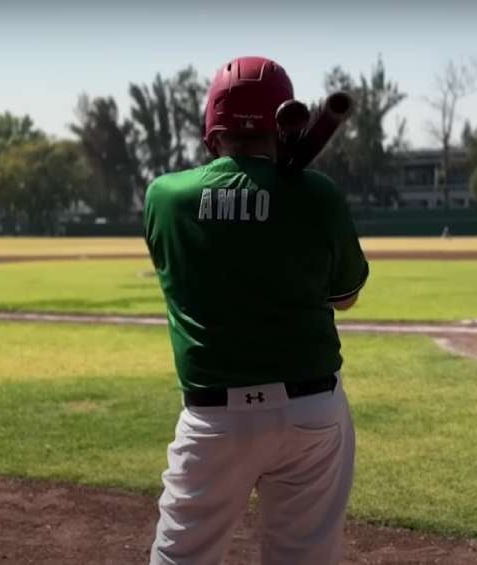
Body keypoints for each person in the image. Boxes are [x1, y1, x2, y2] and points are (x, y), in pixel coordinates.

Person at [144, 56, 369, 565]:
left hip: (214, 416)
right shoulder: (317, 195)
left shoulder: (164, 197)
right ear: (286, 124)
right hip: (311, 412)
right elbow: (346, 295)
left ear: (211, 130)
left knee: (181, 557)